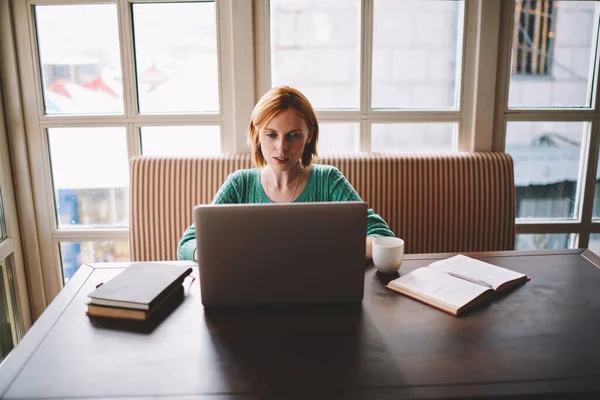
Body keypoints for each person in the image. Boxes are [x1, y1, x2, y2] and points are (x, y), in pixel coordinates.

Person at [177, 86, 394, 261]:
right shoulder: (239, 184)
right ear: (257, 134)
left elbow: (383, 237)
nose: (281, 148)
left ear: (309, 136)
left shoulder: (328, 181)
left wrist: (327, 251)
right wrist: (215, 254)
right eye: (271, 135)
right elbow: (188, 243)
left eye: (293, 136)